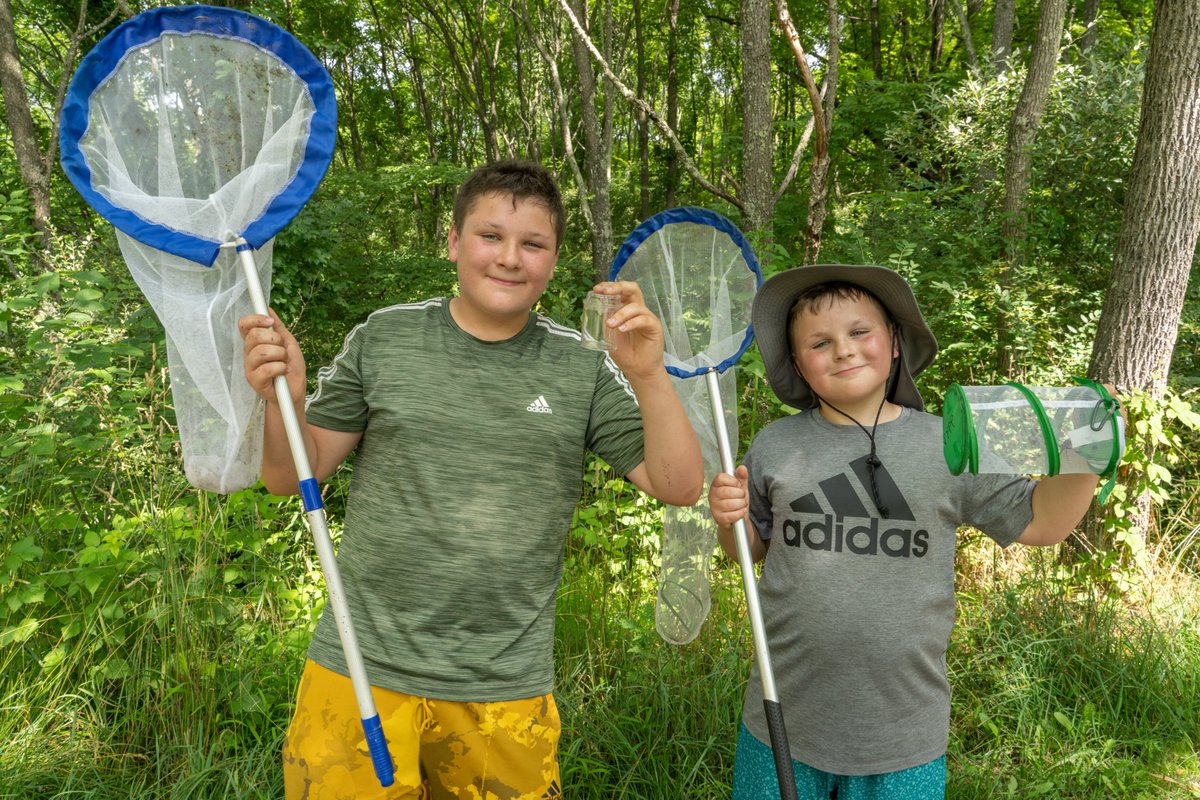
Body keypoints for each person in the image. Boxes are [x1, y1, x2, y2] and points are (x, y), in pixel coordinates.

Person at [239, 159, 703, 799]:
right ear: (454, 242)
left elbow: (678, 484)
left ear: (555, 259)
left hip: (504, 680)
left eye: (533, 244)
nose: (510, 258)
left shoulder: (581, 367)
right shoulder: (386, 339)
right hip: (361, 664)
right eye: (490, 236)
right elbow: (291, 477)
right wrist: (280, 400)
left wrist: (649, 373)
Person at [708, 264, 1105, 800]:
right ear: (799, 366)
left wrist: (1089, 446)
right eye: (820, 343)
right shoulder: (776, 445)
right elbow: (751, 551)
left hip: (903, 734)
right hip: (782, 718)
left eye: (859, 332)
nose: (843, 350)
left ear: (894, 343)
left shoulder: (947, 444)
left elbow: (1043, 520)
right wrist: (726, 519)